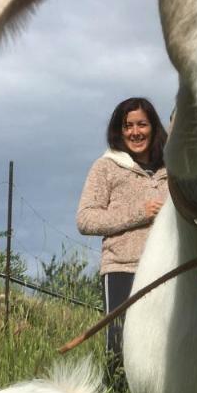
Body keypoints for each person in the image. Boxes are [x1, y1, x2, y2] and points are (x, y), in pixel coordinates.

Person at [76, 97, 169, 376]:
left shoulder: (173, 170)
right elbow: (86, 219)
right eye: (128, 126)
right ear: (119, 130)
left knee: (164, 347)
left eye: (142, 124)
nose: (135, 132)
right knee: (119, 346)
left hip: (168, 268)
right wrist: (139, 212)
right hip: (122, 268)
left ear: (153, 127)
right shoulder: (105, 167)